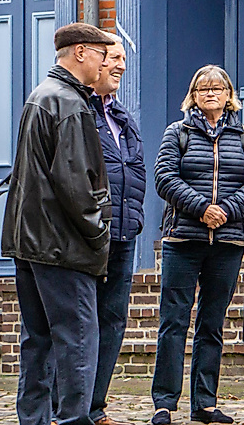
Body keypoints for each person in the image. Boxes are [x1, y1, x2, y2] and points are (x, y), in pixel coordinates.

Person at [1, 22, 115, 425]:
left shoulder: (42, 96)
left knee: (38, 340)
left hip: (30, 241)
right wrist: (100, 234)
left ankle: (32, 420)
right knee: (78, 340)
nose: (105, 64)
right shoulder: (68, 102)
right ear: (81, 52)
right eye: (102, 54)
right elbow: (76, 184)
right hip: (61, 245)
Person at [151, 65, 244, 425]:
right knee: (173, 321)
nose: (211, 93)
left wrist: (227, 211)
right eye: (203, 88)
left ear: (230, 95)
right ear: (193, 95)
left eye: (218, 87)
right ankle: (164, 403)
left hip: (228, 241)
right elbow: (164, 177)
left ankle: (204, 402)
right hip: (184, 238)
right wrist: (202, 209)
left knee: (212, 323)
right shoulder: (178, 133)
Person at [86, 39, 146, 425]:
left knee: (112, 321)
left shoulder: (122, 117)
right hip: (89, 234)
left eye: (125, 58)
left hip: (123, 233)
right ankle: (67, 406)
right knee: (81, 322)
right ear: (94, 60)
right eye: (115, 58)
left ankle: (95, 405)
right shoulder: (78, 111)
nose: (122, 65)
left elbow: (136, 171)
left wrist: (135, 218)